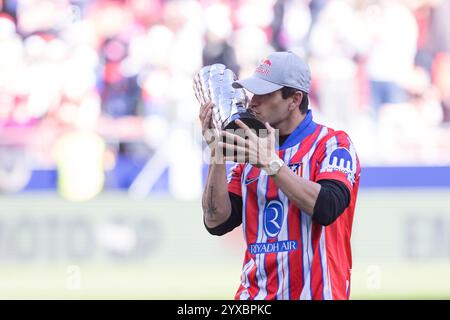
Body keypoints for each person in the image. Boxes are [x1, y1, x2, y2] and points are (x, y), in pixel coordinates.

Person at [198, 51, 361, 300]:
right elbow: (216, 221)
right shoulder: (251, 151)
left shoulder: (333, 144)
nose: (253, 102)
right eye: (253, 93)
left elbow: (327, 207)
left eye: (265, 94)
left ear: (294, 99)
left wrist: (271, 164)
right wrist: (217, 151)